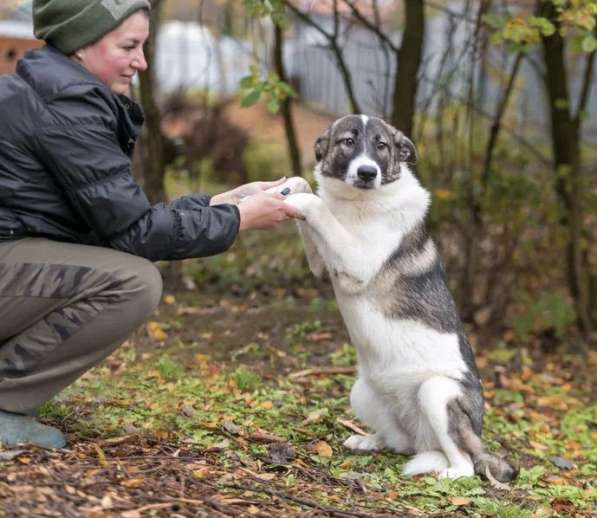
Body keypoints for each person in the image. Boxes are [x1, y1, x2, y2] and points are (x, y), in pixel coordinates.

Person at [0, 0, 301, 449]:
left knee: (121, 270)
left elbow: (112, 221)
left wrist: (220, 202)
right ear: (82, 45)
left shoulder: (53, 94)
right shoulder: (66, 109)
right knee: (131, 282)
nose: (141, 61)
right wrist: (237, 219)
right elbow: (134, 235)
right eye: (129, 46)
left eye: (143, 46)